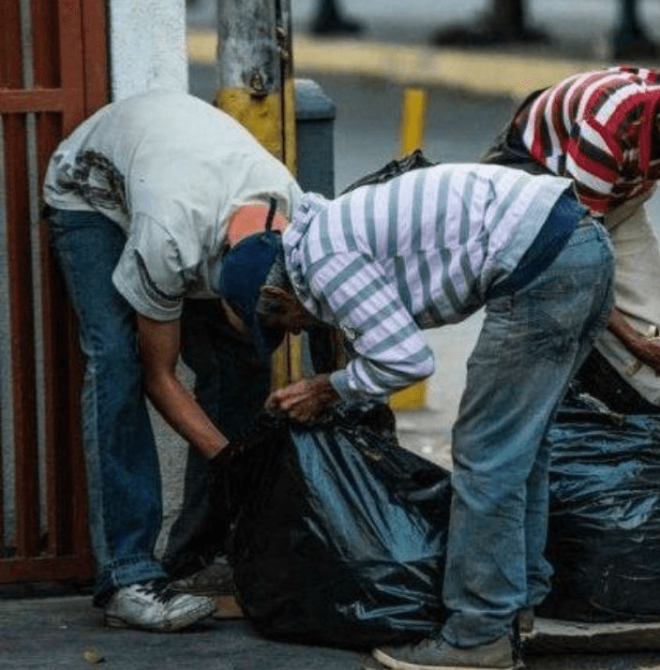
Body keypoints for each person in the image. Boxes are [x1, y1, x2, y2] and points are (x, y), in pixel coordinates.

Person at [258, 162, 614, 670]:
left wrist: (328, 389)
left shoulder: (322, 260)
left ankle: (477, 634)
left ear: (277, 294)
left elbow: (406, 360)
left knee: (485, 454)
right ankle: (520, 606)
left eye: (288, 325)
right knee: (522, 447)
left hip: (545, 261)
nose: (296, 334)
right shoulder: (328, 232)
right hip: (583, 244)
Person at [42, 89, 301, 631]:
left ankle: (197, 558)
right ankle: (127, 576)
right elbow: (160, 378)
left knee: (243, 366)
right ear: (217, 286)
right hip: (91, 195)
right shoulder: (168, 240)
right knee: (117, 363)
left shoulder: (296, 219)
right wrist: (235, 461)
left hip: (183, 182)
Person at [482, 64, 660, 407]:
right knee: (558, 324)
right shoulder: (607, 124)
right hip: (538, 186)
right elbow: (578, 257)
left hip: (614, 197)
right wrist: (636, 343)